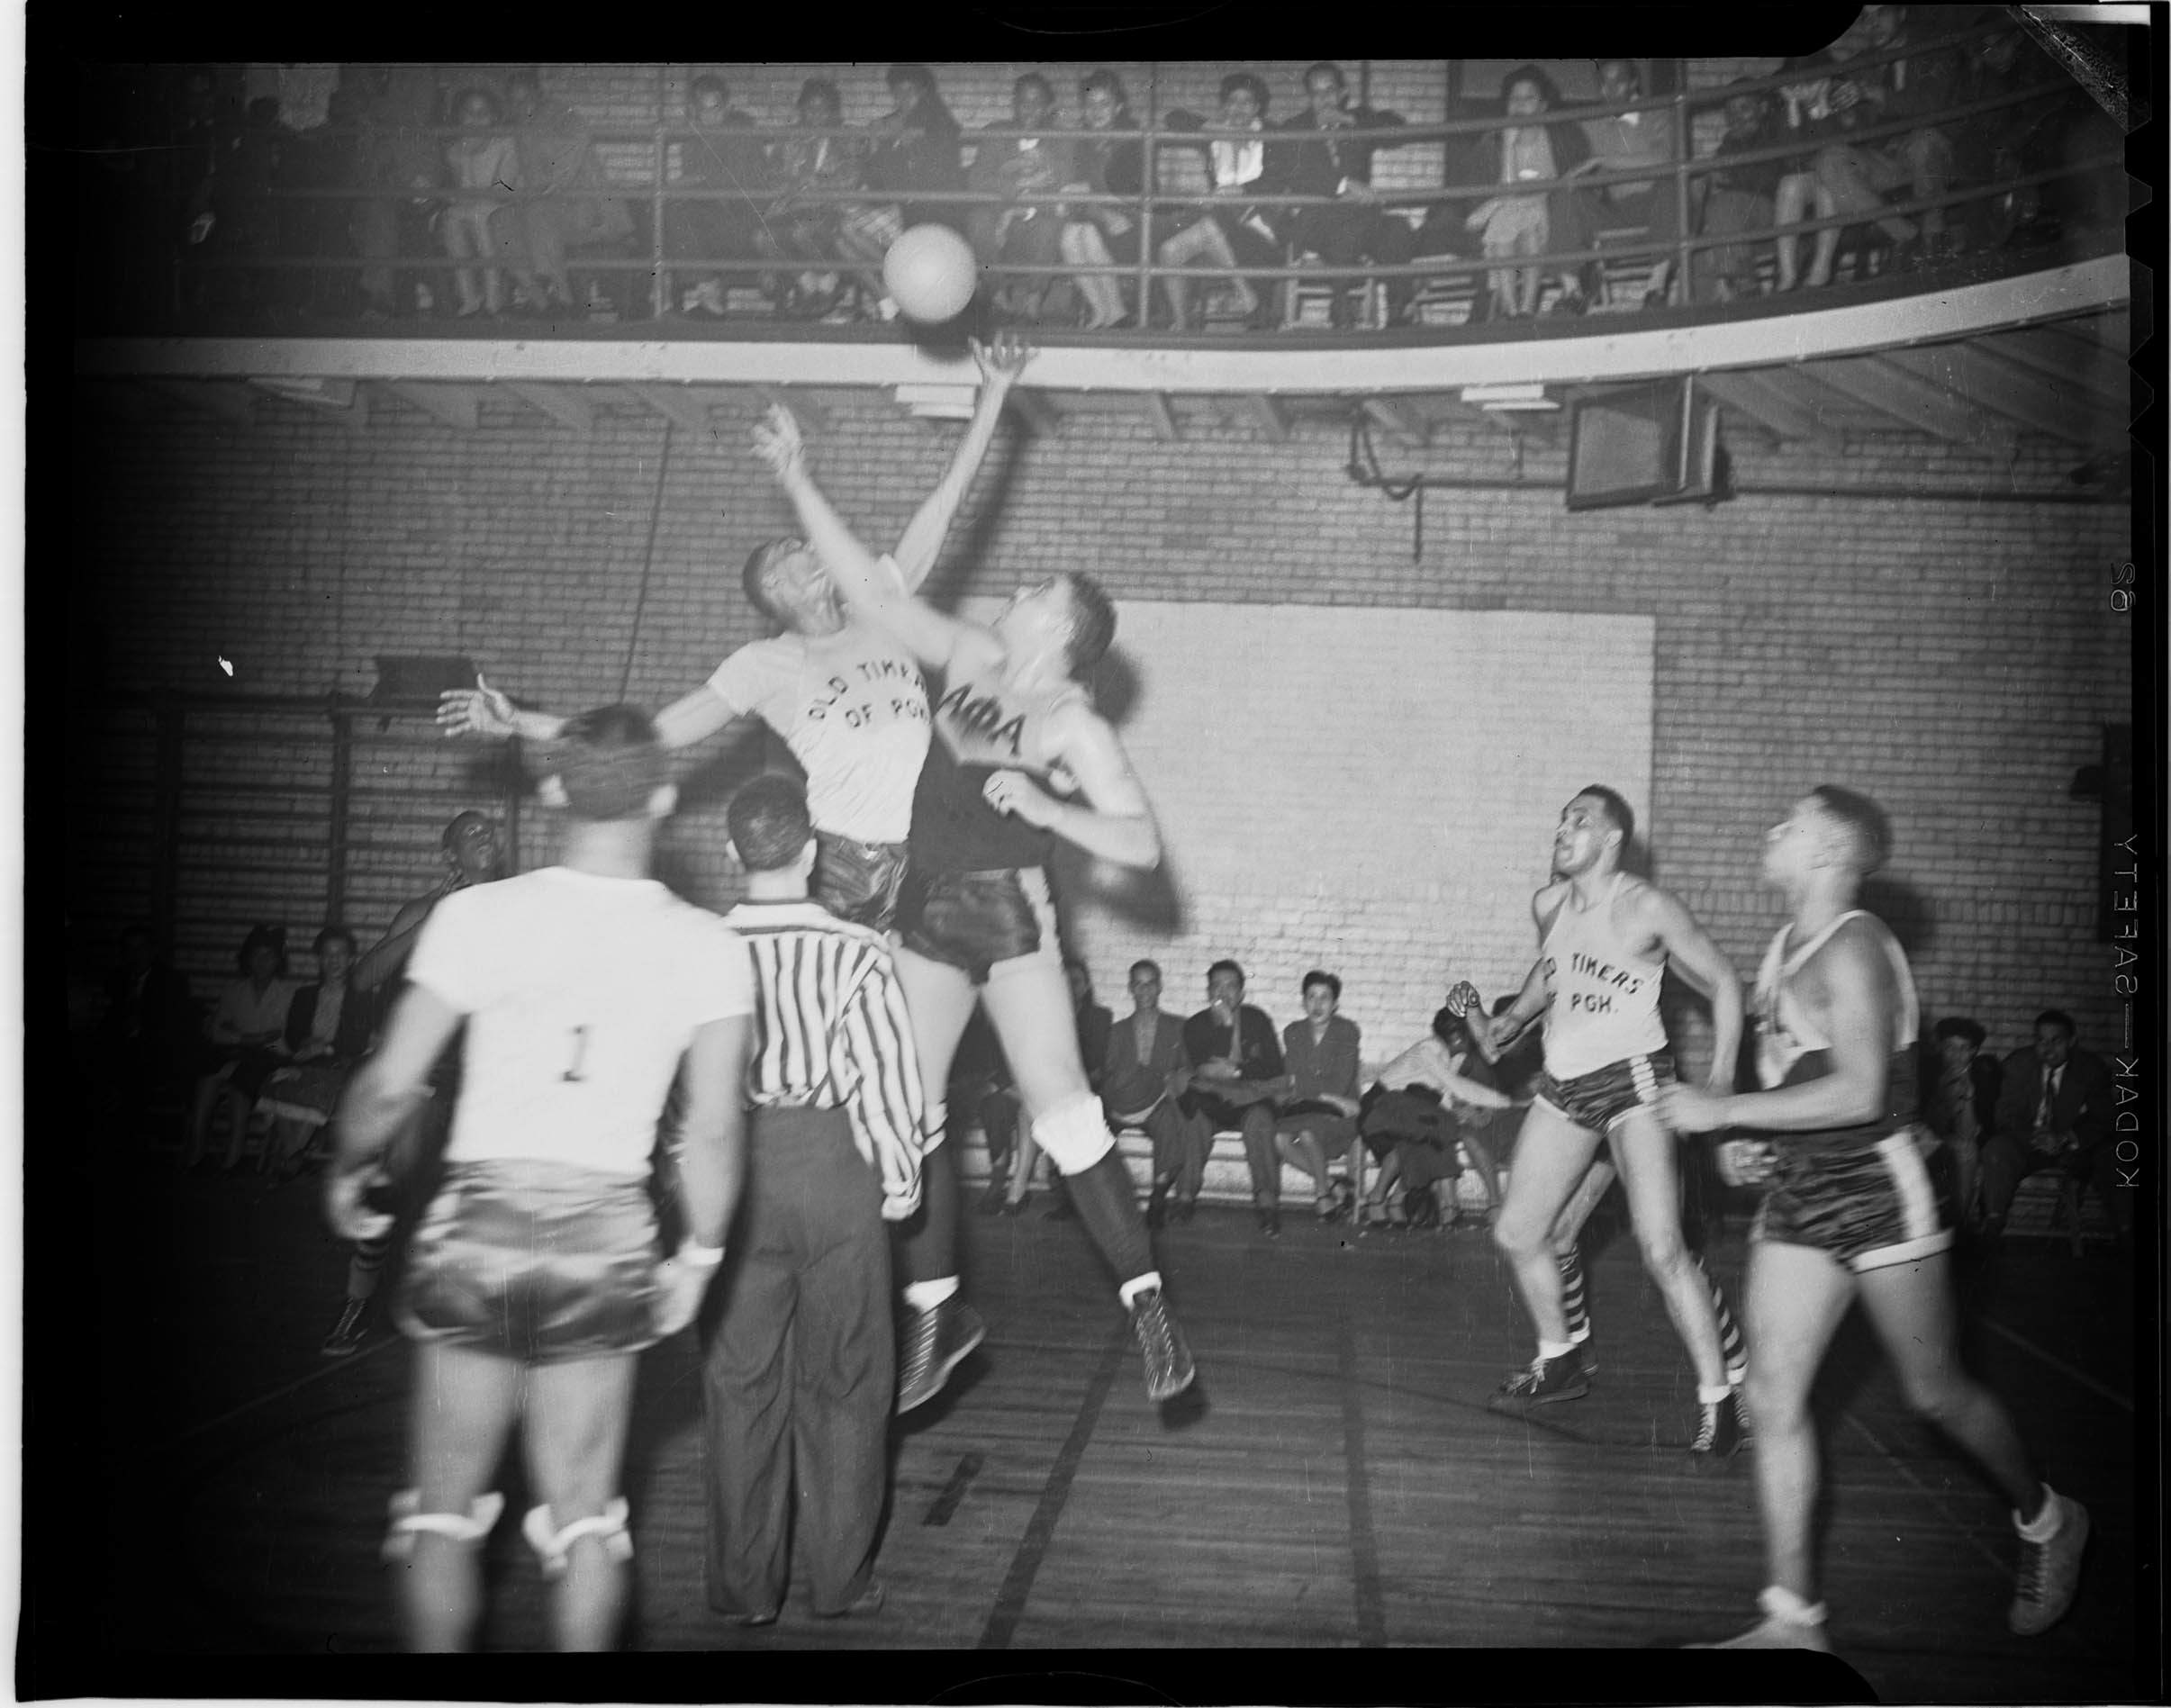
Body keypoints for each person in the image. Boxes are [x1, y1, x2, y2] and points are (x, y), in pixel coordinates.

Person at [750, 373, 1197, 1413]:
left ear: (1064, 630)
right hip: (924, 905)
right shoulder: (968, 657)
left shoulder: (1068, 722)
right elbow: (872, 593)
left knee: (1066, 1111)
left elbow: (1135, 844)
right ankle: (939, 1317)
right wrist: (798, 476)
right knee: (902, 1118)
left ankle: (1147, 1306)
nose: (1020, 589)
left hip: (1008, 913)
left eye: (1039, 590)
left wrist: (1049, 814)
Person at [325, 706, 755, 1653]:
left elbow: (390, 1083)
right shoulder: (708, 942)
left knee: (438, 1514)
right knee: (588, 1518)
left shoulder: (475, 914)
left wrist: (349, 1168)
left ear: (553, 790)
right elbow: (714, 1130)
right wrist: (701, 1254)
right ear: (666, 797)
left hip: (480, 1216)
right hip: (604, 1229)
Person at [1660, 786, 2088, 1649]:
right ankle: (1792, 1623)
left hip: (1877, 1188)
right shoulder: (1785, 945)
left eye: (1788, 823)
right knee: (1772, 1394)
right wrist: (1742, 1139)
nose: (1769, 829)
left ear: (1826, 853)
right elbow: (1798, 1085)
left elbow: (1860, 1092)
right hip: (1800, 1190)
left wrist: (1722, 1108)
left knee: (1935, 1393)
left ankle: (2047, 1519)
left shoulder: (1854, 947)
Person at [439, 335, 1032, 933]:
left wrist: (995, 390)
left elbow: (945, 506)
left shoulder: (880, 607)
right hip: (846, 861)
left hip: (929, 847)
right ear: (778, 586)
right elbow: (649, 737)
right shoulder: (766, 664)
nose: (811, 546)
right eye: (793, 548)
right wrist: (519, 721)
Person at [1446, 784, 1748, 1457]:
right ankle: (1559, 1359)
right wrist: (1517, 1014)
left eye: (1579, 819)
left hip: (1633, 1084)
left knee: (1661, 1247)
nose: (1563, 826)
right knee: (1517, 1230)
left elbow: (1725, 980)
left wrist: (1723, 1082)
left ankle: (1721, 1401)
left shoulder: (1645, 906)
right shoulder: (1548, 902)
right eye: (1559, 817)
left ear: (1613, 838)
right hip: (1564, 1087)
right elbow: (1550, 969)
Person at [703, 773, 925, 1627]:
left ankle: (741, 1587)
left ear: (731, 851)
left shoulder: (702, 947)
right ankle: (842, 1582)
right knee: (846, 1381)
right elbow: (886, 1082)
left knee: (739, 1381)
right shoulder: (856, 950)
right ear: (810, 851)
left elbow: (685, 1095)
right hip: (834, 1168)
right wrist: (899, 1182)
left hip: (735, 1169)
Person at [322, 809, 508, 1357]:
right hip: (429, 1074)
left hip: (489, 1075)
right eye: (472, 834)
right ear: (450, 856)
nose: (487, 839)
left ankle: (470, 1308)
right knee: (393, 1184)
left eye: (490, 832)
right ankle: (357, 1304)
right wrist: (438, 917)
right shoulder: (424, 911)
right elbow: (364, 977)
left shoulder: (514, 909)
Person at [1270, 61, 1419, 327]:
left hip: (1360, 220)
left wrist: (1349, 120)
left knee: (1397, 227)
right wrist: (1344, 184)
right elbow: (1296, 174)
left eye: (1330, 91)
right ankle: (1340, 301)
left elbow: (1398, 130)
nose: (1324, 99)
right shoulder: (1294, 127)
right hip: (1317, 222)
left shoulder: (1358, 120)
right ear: (1308, 98)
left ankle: (1399, 310)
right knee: (1350, 227)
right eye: (1316, 93)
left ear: (1342, 94)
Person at [1979, 1009, 2123, 1243]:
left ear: (2072, 1041)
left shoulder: (2091, 1069)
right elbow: (2005, 1115)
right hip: (2029, 1143)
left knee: (2113, 1155)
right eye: (2041, 1041)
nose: (2047, 1048)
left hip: (2074, 1148)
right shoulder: (2018, 1064)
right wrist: (2037, 1137)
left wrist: (2066, 1138)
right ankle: (1993, 1225)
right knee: (1996, 1149)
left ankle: (2127, 1234)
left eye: (2056, 1041)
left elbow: (2105, 1118)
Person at [1180, 960, 1290, 1237]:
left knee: (1261, 1120)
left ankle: (1267, 1203)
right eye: (1217, 985)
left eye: (1231, 986)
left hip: (1251, 1102)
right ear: (1208, 992)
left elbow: (1275, 1067)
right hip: (1213, 1103)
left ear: (1241, 993)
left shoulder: (1257, 1019)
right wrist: (1226, 1025)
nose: (1223, 992)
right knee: (1195, 1119)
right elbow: (1204, 1069)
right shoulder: (1195, 1025)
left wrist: (1239, 1070)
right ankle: (1184, 1197)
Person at [257, 925, 374, 1179]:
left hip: (340, 1066)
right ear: (319, 959)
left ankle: (290, 1158)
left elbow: (357, 1042)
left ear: (351, 958)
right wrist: (307, 1043)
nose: (333, 960)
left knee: (313, 1089)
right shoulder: (304, 994)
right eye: (326, 954)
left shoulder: (361, 998)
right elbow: (293, 1034)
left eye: (340, 953)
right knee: (278, 1084)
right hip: (304, 1060)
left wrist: (326, 1047)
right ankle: (294, 1155)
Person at [1104, 959, 1206, 1228]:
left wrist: (1172, 1079)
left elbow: (1189, 1068)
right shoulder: (1117, 1031)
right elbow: (1107, 1074)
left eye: (1150, 984)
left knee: (1169, 1120)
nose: (1145, 990)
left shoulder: (1179, 1027)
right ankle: (1080, 1201)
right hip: (1123, 1102)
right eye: (1139, 984)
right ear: (1131, 989)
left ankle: (1158, 1196)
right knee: (1088, 1126)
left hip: (1159, 1103)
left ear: (1159, 987)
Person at [967, 73, 1075, 325]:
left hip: (1038, 221)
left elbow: (1063, 181)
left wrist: (1013, 210)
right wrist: (1019, 185)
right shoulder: (996, 133)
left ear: (1048, 107)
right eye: (1023, 102)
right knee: (978, 219)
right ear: (1013, 104)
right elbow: (976, 179)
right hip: (999, 226)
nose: (1029, 109)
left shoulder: (1063, 139)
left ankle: (1033, 300)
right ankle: (998, 296)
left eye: (1037, 102)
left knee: (1050, 224)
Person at [185, 924, 296, 1170]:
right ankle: (196, 1153)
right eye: (256, 955)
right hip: (235, 1056)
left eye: (269, 956)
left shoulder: (289, 994)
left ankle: (232, 1159)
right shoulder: (234, 991)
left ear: (278, 961)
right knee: (207, 1078)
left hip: (269, 1060)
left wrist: (238, 1035)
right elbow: (216, 1031)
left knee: (239, 1080)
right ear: (246, 959)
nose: (262, 961)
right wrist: (249, 1040)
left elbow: (281, 1035)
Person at [669, 75, 768, 318]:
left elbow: (732, 181)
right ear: (694, 109)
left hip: (745, 221)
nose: (710, 117)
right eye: (703, 110)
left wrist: (689, 182)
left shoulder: (742, 129)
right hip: (712, 218)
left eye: (715, 109)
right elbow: (697, 181)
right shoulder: (694, 137)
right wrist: (686, 185)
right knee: (666, 211)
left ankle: (708, 293)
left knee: (677, 212)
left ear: (727, 106)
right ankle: (699, 292)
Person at [1058, 70, 1145, 330]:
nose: (1097, 110)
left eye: (1104, 103)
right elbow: (1074, 192)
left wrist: (1088, 192)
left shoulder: (1134, 140)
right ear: (1083, 109)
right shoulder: (1081, 143)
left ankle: (1114, 312)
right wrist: (1093, 201)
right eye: (1090, 104)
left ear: (1118, 107)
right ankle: (1103, 311)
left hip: (1131, 224)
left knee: (1085, 233)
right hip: (1096, 218)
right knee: (1071, 235)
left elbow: (1136, 192)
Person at [1275, 971, 1363, 1222]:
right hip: (1308, 1109)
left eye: (1325, 997)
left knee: (1306, 1133)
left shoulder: (1347, 1031)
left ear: (1335, 1003)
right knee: (1279, 1139)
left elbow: (1341, 1082)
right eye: (1311, 996)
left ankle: (1323, 1195)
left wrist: (1326, 1094)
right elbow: (1292, 1078)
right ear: (1303, 1001)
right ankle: (1334, 1186)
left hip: (1341, 1115)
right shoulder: (1293, 1031)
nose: (1317, 1004)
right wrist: (1327, 1095)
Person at [439, 86, 516, 319]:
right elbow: (458, 188)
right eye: (469, 112)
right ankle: (470, 300)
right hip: (471, 207)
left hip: (503, 206)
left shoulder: (505, 144)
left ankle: (493, 302)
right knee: (451, 219)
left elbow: (505, 186)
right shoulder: (454, 150)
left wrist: (474, 198)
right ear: (459, 116)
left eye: (483, 112)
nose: (475, 118)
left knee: (482, 217)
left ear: (493, 116)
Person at [1922, 1014, 2000, 1229]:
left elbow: (1968, 1134)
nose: (1956, 1056)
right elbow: (1929, 1126)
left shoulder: (1982, 1075)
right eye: (1950, 1047)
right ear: (1940, 1047)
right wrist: (1942, 1090)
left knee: (1966, 1150)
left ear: (1974, 1051)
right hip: (1925, 1137)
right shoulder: (1928, 1071)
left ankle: (1959, 1227)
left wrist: (1968, 1095)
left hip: (1957, 1142)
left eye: (1964, 1048)